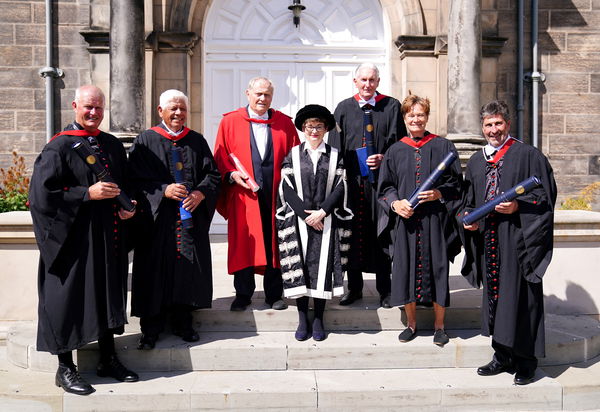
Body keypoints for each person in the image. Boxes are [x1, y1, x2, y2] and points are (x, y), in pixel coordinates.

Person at [29, 85, 138, 395]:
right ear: (75, 105)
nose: (94, 113)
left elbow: (125, 184)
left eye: (99, 108)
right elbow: (40, 196)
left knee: (106, 296)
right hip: (72, 242)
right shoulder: (59, 148)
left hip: (106, 238)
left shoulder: (112, 146)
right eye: (88, 107)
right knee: (67, 301)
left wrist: (129, 208)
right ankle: (65, 368)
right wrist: (86, 194)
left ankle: (107, 358)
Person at [461, 100, 557, 385]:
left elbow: (545, 196)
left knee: (522, 298)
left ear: (508, 124)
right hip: (490, 242)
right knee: (496, 298)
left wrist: (518, 208)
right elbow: (469, 202)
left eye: (498, 123)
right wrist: (467, 217)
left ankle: (526, 361)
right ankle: (502, 356)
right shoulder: (477, 161)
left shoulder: (528, 155)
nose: (494, 130)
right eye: (488, 125)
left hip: (518, 240)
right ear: (482, 127)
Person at [128, 89, 220, 350]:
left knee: (186, 270)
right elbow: (133, 182)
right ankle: (151, 328)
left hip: (187, 219)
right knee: (153, 270)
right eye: (173, 108)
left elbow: (212, 175)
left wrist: (201, 193)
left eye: (182, 109)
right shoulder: (145, 142)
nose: (178, 113)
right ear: (160, 111)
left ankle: (184, 322)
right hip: (157, 224)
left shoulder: (197, 141)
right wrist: (162, 191)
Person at [377, 95, 463, 346]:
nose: (416, 119)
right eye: (411, 115)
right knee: (405, 270)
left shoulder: (443, 146)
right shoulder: (395, 150)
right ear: (404, 118)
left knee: (438, 269)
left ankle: (439, 326)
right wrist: (396, 204)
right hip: (406, 222)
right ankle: (411, 324)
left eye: (420, 115)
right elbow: (385, 187)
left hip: (434, 219)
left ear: (427, 117)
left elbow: (457, 184)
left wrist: (438, 193)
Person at [214, 77, 300, 311]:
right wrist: (232, 175)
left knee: (275, 242)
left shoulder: (284, 123)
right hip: (243, 196)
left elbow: (295, 158)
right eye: (258, 94)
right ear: (248, 93)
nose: (262, 98)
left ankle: (274, 294)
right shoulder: (230, 122)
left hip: (276, 195)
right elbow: (220, 157)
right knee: (244, 242)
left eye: (267, 95)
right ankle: (243, 294)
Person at [328, 62, 407, 308]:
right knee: (353, 235)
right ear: (355, 82)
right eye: (363, 80)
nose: (367, 85)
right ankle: (355, 288)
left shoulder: (392, 106)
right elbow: (335, 148)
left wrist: (385, 157)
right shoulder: (343, 108)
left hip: (381, 185)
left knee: (381, 233)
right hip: (352, 185)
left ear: (378, 82)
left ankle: (385, 289)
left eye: (372, 80)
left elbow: (401, 143)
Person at [276, 104, 353, 341]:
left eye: (319, 126)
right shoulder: (293, 155)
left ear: (326, 129)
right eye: (310, 126)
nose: (314, 130)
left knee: (322, 270)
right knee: (300, 269)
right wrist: (305, 215)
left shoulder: (335, 156)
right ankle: (302, 319)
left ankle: (318, 318)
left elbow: (341, 187)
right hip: (299, 222)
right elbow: (286, 189)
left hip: (326, 221)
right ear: (303, 128)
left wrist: (322, 212)